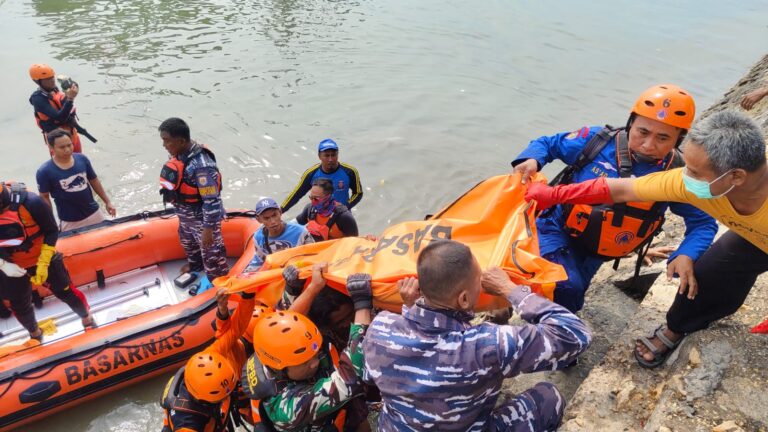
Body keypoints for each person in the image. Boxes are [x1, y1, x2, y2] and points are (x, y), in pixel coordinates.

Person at [524, 109, 768, 368]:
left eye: (695, 173)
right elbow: (618, 188)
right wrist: (553, 195)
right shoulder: (687, 181)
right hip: (754, 236)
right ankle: (678, 327)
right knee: (708, 272)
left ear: (736, 177)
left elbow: (701, 223)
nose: (686, 178)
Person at [511, 84, 717, 312]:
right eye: (642, 132)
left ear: (679, 140)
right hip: (556, 229)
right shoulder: (597, 142)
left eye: (663, 138)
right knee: (567, 288)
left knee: (569, 301)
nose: (648, 145)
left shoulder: (676, 175)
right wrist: (533, 159)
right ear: (631, 123)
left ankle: (529, 317)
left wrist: (687, 253)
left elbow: (704, 223)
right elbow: (549, 144)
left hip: (598, 253)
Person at [363, 240, 592, 431]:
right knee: (549, 397)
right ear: (463, 299)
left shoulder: (379, 328)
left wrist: (409, 308)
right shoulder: (485, 345)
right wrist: (509, 290)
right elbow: (575, 334)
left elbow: (377, 373)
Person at [241, 268, 373, 431]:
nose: (315, 362)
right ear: (280, 369)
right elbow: (350, 379)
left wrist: (302, 289)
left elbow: (288, 319)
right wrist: (362, 305)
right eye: (305, 362)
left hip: (332, 407)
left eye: (315, 355)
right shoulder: (288, 407)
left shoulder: (271, 349)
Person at [0, 182, 94, 340]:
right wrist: (4, 264)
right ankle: (35, 334)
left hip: (43, 256)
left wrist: (44, 261)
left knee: (65, 291)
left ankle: (87, 319)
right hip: (11, 264)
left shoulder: (32, 203)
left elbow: (51, 231)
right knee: (19, 304)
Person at [161, 288, 257, 431]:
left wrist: (248, 297)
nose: (226, 397)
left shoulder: (211, 356)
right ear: (206, 400)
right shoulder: (187, 424)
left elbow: (234, 331)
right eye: (223, 397)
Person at [159, 117, 228, 279]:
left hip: (202, 220)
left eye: (167, 141)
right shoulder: (179, 153)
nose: (164, 145)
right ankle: (195, 265)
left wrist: (208, 229)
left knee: (212, 254)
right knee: (188, 243)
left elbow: (212, 200)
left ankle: (219, 283)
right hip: (185, 217)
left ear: (182, 141)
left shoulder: (202, 165)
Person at [36, 129, 116, 231]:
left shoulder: (82, 159)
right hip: (70, 221)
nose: (67, 149)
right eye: (62, 147)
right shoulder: (44, 171)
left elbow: (94, 180)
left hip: (94, 213)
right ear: (51, 148)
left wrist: (108, 202)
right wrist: (50, 222)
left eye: (69, 145)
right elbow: (44, 197)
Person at [281, 139, 363, 212]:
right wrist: (281, 210)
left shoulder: (350, 171)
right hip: (319, 217)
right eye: (327, 155)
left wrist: (346, 206)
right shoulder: (311, 174)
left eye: (333, 155)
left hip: (343, 216)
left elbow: (358, 193)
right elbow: (296, 194)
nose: (330, 159)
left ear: (338, 154)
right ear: (319, 156)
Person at [242, 197, 313, 272]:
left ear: (280, 212)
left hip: (299, 272)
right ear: (259, 219)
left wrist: (297, 268)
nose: (272, 221)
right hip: (275, 274)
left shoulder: (301, 232)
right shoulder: (258, 237)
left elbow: (314, 256)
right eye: (266, 218)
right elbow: (258, 261)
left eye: (274, 215)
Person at [28, 63, 85, 153]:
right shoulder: (38, 99)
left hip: (71, 134)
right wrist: (70, 99)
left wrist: (71, 89)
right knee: (63, 165)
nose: (52, 81)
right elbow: (60, 118)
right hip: (58, 141)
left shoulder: (54, 89)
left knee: (80, 161)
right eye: (47, 79)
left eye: (52, 77)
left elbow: (63, 104)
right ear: (38, 81)